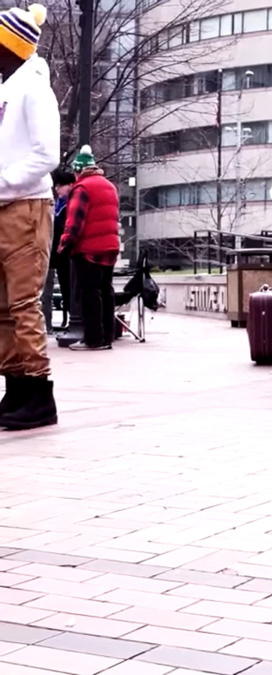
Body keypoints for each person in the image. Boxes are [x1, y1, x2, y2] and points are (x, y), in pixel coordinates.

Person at [0, 3, 60, 430]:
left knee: (22, 304)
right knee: (4, 306)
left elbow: (46, 154)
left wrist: (3, 183)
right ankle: (16, 388)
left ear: (10, 46)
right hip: (9, 203)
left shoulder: (34, 87)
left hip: (26, 206)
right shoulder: (8, 85)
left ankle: (38, 394)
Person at [58, 146, 119, 352]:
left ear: (78, 170)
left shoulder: (82, 188)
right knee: (106, 291)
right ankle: (107, 337)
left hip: (88, 249)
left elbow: (74, 222)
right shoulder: (110, 186)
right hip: (109, 247)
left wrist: (64, 245)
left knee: (89, 293)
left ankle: (93, 339)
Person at [48, 169, 73, 330]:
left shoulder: (69, 204)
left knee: (69, 287)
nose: (57, 189)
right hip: (58, 253)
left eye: (59, 186)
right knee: (65, 288)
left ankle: (74, 319)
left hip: (66, 252)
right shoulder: (59, 204)